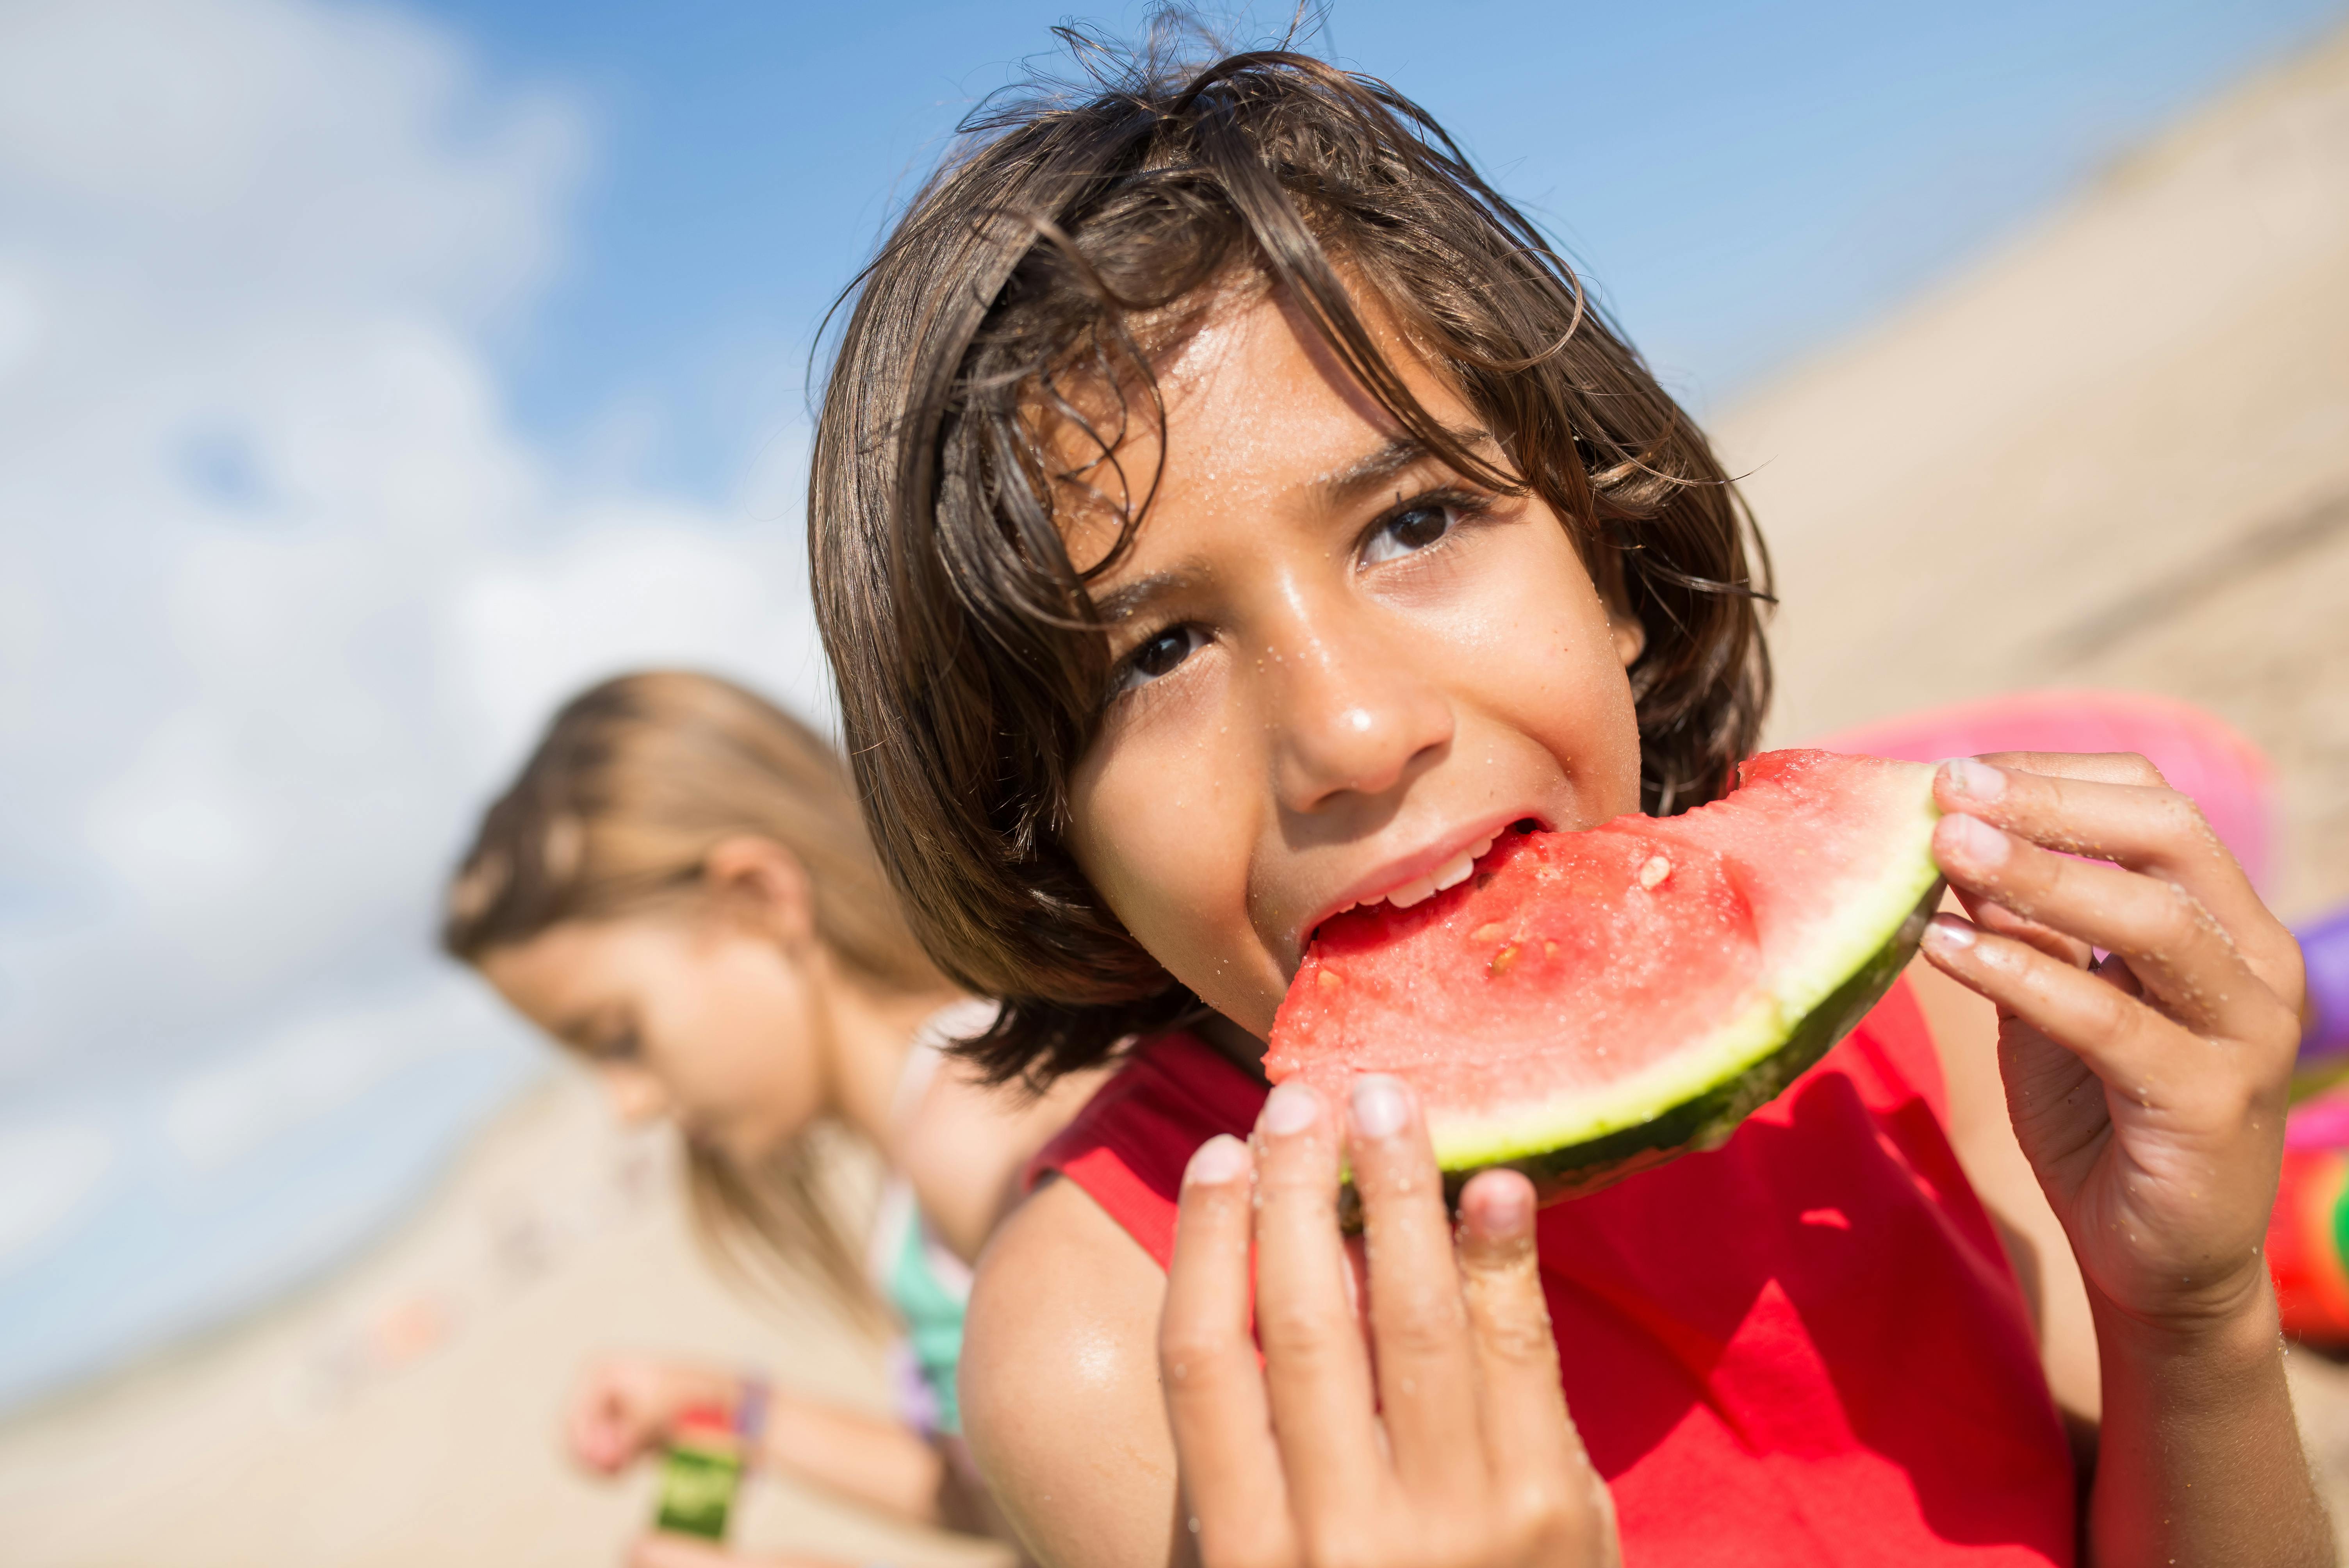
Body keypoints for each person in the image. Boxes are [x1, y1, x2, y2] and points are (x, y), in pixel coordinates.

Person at [803, 35, 2326, 1568]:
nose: (1351, 726)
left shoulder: (1910, 1004)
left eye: (1413, 521)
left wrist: (2188, 1312)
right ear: (1045, 823)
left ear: (1605, 552)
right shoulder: (1116, 1355)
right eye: (1160, 650)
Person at [442, 671, 1096, 1566]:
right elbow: (1019, 1488)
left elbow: (1172, 1512)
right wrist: (733, 1410)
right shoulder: (934, 1147)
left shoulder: (978, 1133)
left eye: (619, 1036)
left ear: (756, 900)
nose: (628, 1106)